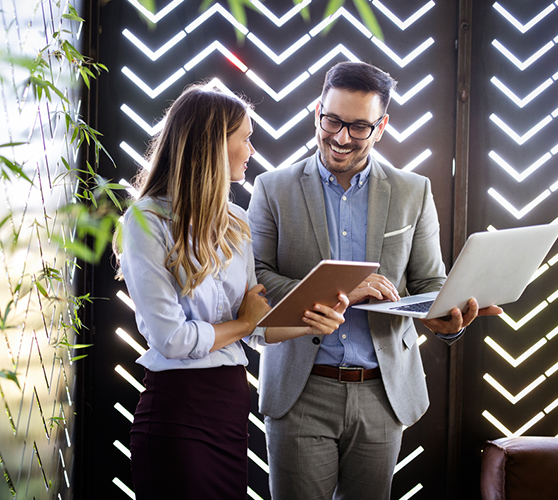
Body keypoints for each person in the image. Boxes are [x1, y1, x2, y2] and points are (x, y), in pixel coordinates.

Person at [247, 61, 503, 500]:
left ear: (381, 126)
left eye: (359, 127)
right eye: (332, 121)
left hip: (382, 394)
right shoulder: (273, 188)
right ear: (317, 112)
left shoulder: (413, 191)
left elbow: (428, 281)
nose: (341, 137)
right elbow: (254, 278)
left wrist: (444, 317)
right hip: (300, 389)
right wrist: (340, 293)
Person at [115, 83, 349, 500]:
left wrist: (317, 321)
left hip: (229, 411)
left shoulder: (235, 222)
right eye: (245, 138)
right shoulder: (146, 222)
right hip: (178, 414)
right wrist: (243, 323)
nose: (252, 150)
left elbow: (257, 328)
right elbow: (172, 339)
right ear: (212, 146)